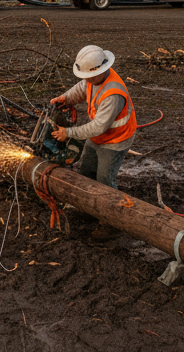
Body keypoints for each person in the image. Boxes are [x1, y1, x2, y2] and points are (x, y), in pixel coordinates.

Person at [50, 44, 137, 240]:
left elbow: (98, 127)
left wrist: (68, 133)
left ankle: (111, 222)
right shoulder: (94, 77)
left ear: (99, 70)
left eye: (87, 76)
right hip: (98, 138)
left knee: (105, 180)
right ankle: (88, 206)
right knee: (87, 172)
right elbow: (82, 88)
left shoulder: (113, 94)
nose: (85, 79)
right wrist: (66, 98)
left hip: (115, 141)